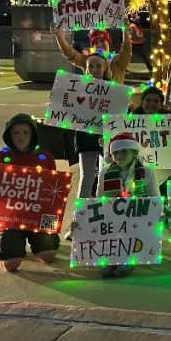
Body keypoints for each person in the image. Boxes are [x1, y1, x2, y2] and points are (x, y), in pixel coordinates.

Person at [0, 113, 60, 272]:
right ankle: (7, 246)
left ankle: (31, 243)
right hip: (10, 218)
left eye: (25, 132)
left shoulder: (45, 157)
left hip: (37, 215)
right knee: (11, 264)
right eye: (16, 132)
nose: (21, 136)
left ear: (33, 134)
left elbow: (52, 192)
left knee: (48, 256)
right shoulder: (0, 158)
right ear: (9, 135)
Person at [94, 132, 159, 277]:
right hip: (113, 219)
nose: (119, 156)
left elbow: (154, 199)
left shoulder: (147, 172)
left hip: (136, 218)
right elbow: (99, 198)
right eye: (116, 152)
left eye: (124, 151)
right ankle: (112, 258)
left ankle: (128, 258)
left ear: (134, 152)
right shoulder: (105, 172)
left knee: (132, 226)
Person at [65, 52, 111, 240]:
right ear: (85, 68)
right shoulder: (77, 88)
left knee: (104, 178)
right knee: (86, 178)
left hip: (106, 138)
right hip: (84, 136)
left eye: (98, 66)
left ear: (105, 68)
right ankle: (78, 222)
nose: (94, 70)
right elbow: (67, 110)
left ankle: (100, 222)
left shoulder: (113, 90)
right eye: (90, 66)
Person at [49, 19, 132, 83]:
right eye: (95, 42)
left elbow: (127, 49)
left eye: (102, 41)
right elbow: (69, 53)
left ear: (109, 42)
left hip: (114, 104)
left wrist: (125, 31)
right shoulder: (87, 60)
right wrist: (59, 35)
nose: (99, 44)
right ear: (92, 46)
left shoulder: (118, 61)